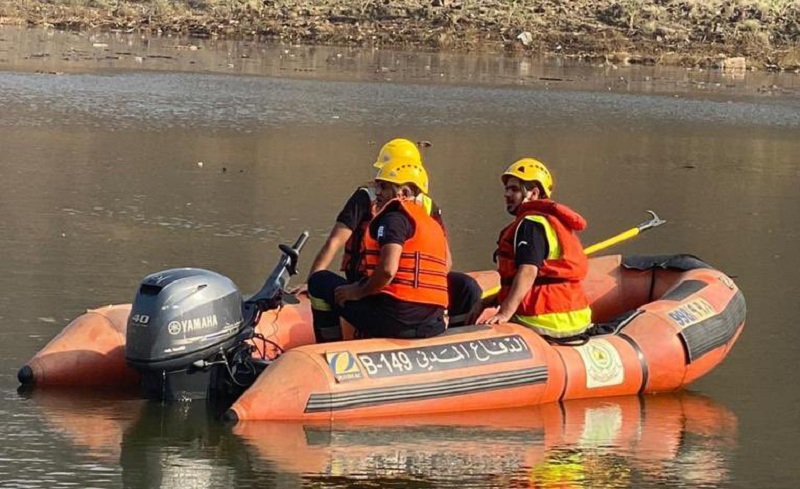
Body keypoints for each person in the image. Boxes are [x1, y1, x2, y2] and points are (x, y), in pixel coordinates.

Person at [306, 138, 481, 342]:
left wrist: (328, 282)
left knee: (319, 282)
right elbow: (445, 263)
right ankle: (452, 340)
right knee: (467, 286)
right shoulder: (428, 215)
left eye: (383, 184)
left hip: (385, 298)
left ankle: (327, 349)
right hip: (429, 317)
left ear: (403, 188)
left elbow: (383, 267)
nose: (377, 190)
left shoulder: (392, 216)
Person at [479, 158, 592, 339]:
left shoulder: (530, 224)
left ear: (533, 193)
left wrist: (505, 313)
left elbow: (528, 271)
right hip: (576, 319)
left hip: (540, 320)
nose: (507, 194)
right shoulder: (552, 222)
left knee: (484, 325)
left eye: (514, 189)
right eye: (506, 189)